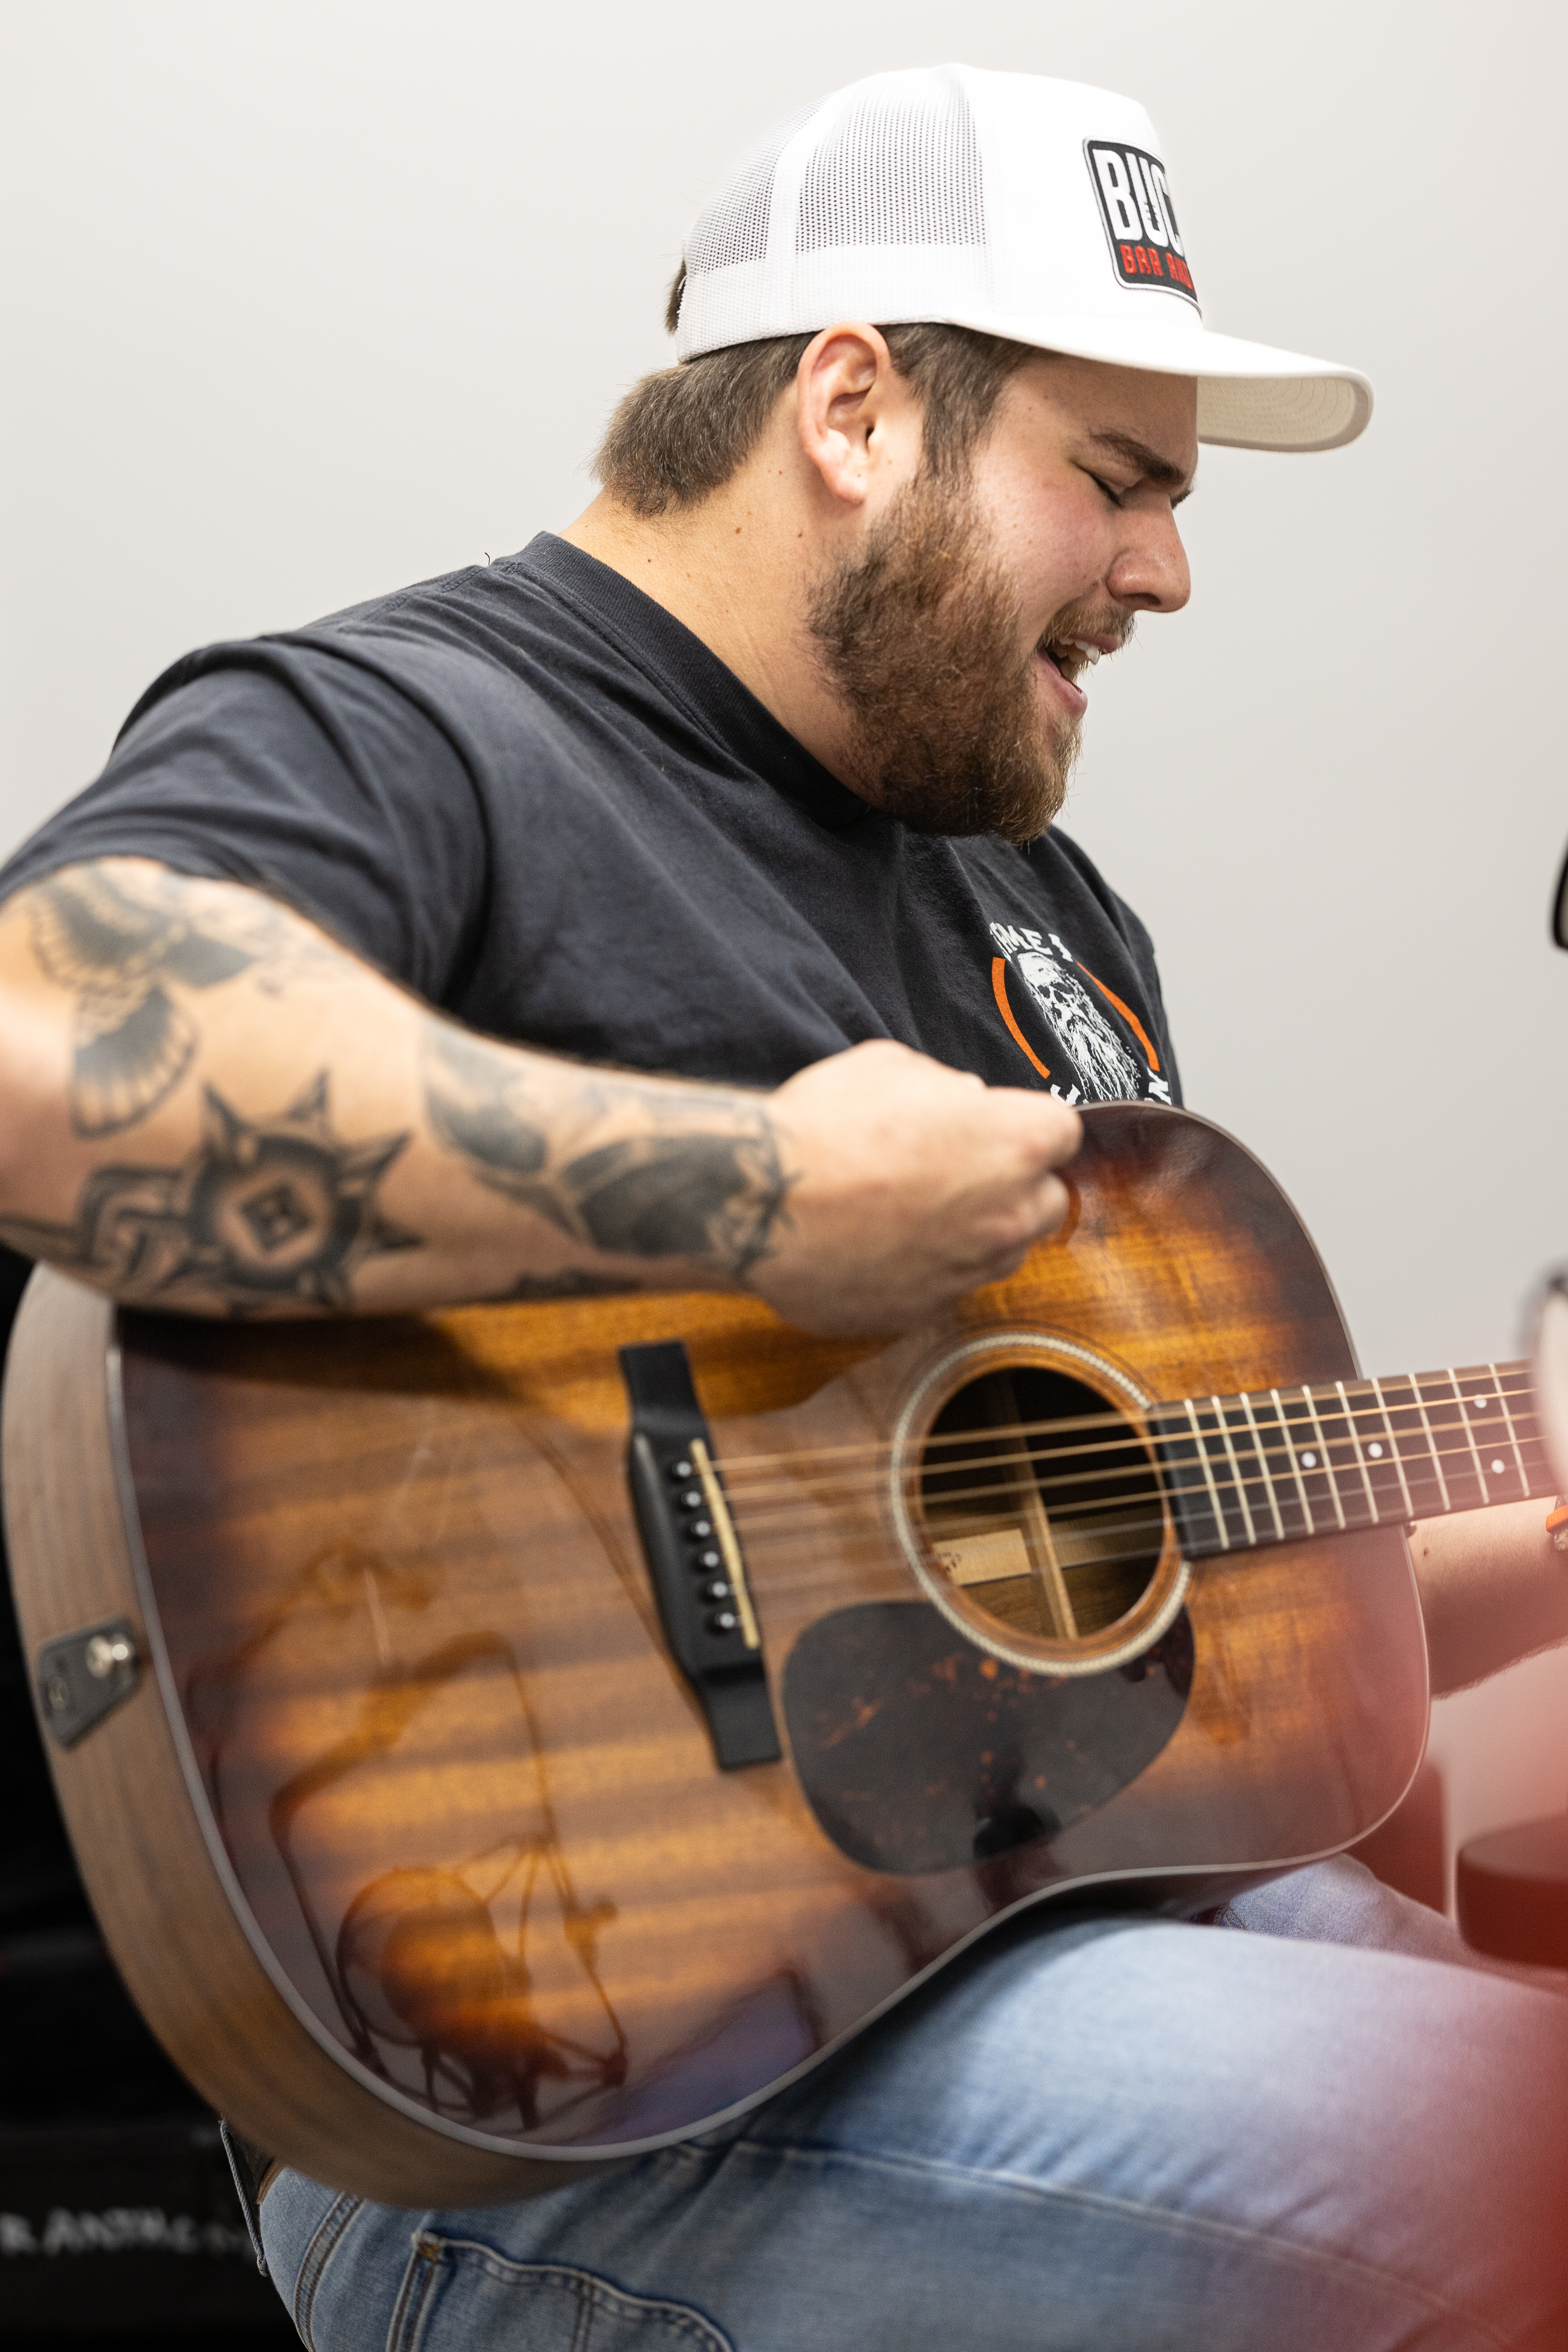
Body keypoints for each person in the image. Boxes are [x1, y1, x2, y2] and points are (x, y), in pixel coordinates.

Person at [1, 62, 1566, 2350]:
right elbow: (45, 1053)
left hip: (1061, 1957)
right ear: (852, 409)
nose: (1166, 570)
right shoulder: (420, 732)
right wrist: (749, 1200)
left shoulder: (1047, 909)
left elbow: (1160, 1659)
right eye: (1113, 480)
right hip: (568, 2103)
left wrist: (1535, 1522)